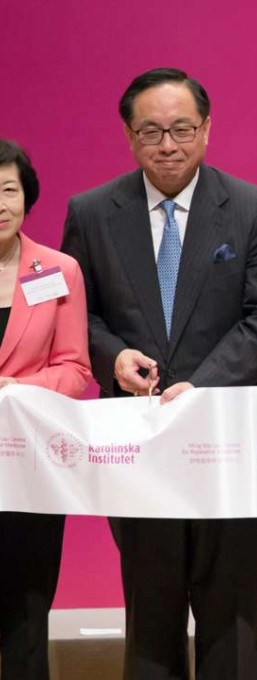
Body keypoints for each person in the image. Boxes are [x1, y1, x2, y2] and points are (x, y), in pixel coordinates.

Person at [60, 68, 257, 679]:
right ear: (129, 137)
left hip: (230, 443)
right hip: (138, 446)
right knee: (151, 619)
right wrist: (113, 357)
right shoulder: (91, 212)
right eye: (152, 132)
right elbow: (77, 315)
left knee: (233, 620)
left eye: (182, 129)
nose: (168, 145)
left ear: (207, 129)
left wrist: (204, 385)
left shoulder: (251, 208)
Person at [0, 139, 91, 680]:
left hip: (28, 467)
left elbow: (76, 368)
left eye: (8, 190)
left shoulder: (56, 271)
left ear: (26, 196)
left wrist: (14, 390)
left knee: (27, 614)